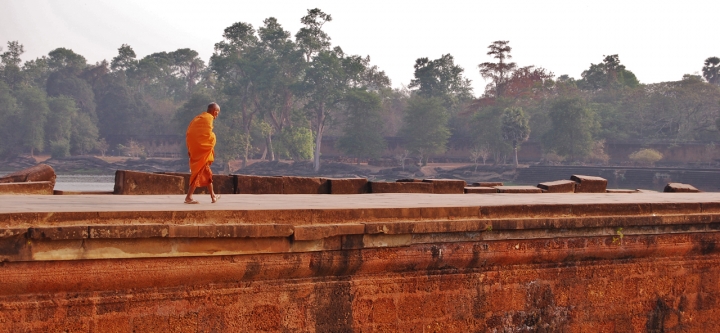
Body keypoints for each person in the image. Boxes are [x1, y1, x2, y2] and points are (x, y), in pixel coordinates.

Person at [184, 103, 221, 204]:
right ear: (215, 112)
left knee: (207, 175)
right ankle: (188, 197)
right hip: (202, 152)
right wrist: (213, 138)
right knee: (198, 174)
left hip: (197, 150)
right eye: (217, 113)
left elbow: (190, 134)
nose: (217, 115)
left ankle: (213, 196)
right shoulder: (208, 119)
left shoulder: (198, 118)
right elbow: (208, 136)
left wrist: (191, 148)